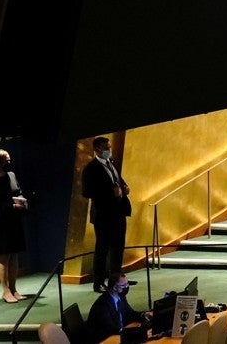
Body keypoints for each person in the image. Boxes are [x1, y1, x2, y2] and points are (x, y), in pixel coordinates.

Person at [81, 137, 132, 292]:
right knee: (102, 249)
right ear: (97, 149)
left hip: (118, 212)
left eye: (109, 147)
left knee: (118, 247)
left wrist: (124, 188)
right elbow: (87, 192)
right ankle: (99, 282)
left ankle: (117, 279)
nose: (108, 150)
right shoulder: (91, 168)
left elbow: (118, 181)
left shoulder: (112, 163)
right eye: (106, 147)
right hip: (103, 214)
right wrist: (110, 192)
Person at [86, 273, 148, 343]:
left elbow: (130, 313)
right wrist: (133, 332)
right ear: (115, 287)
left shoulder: (121, 296)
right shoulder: (102, 304)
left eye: (127, 284)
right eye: (123, 285)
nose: (126, 287)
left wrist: (143, 315)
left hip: (117, 335)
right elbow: (110, 328)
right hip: (104, 339)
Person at [0, 150, 27, 303]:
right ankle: (5, 291)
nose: (9, 161)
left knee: (15, 255)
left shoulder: (11, 175)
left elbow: (18, 192)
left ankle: (14, 289)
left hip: (14, 220)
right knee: (3, 256)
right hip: (1, 221)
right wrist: (11, 206)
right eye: (6, 159)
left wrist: (21, 200)